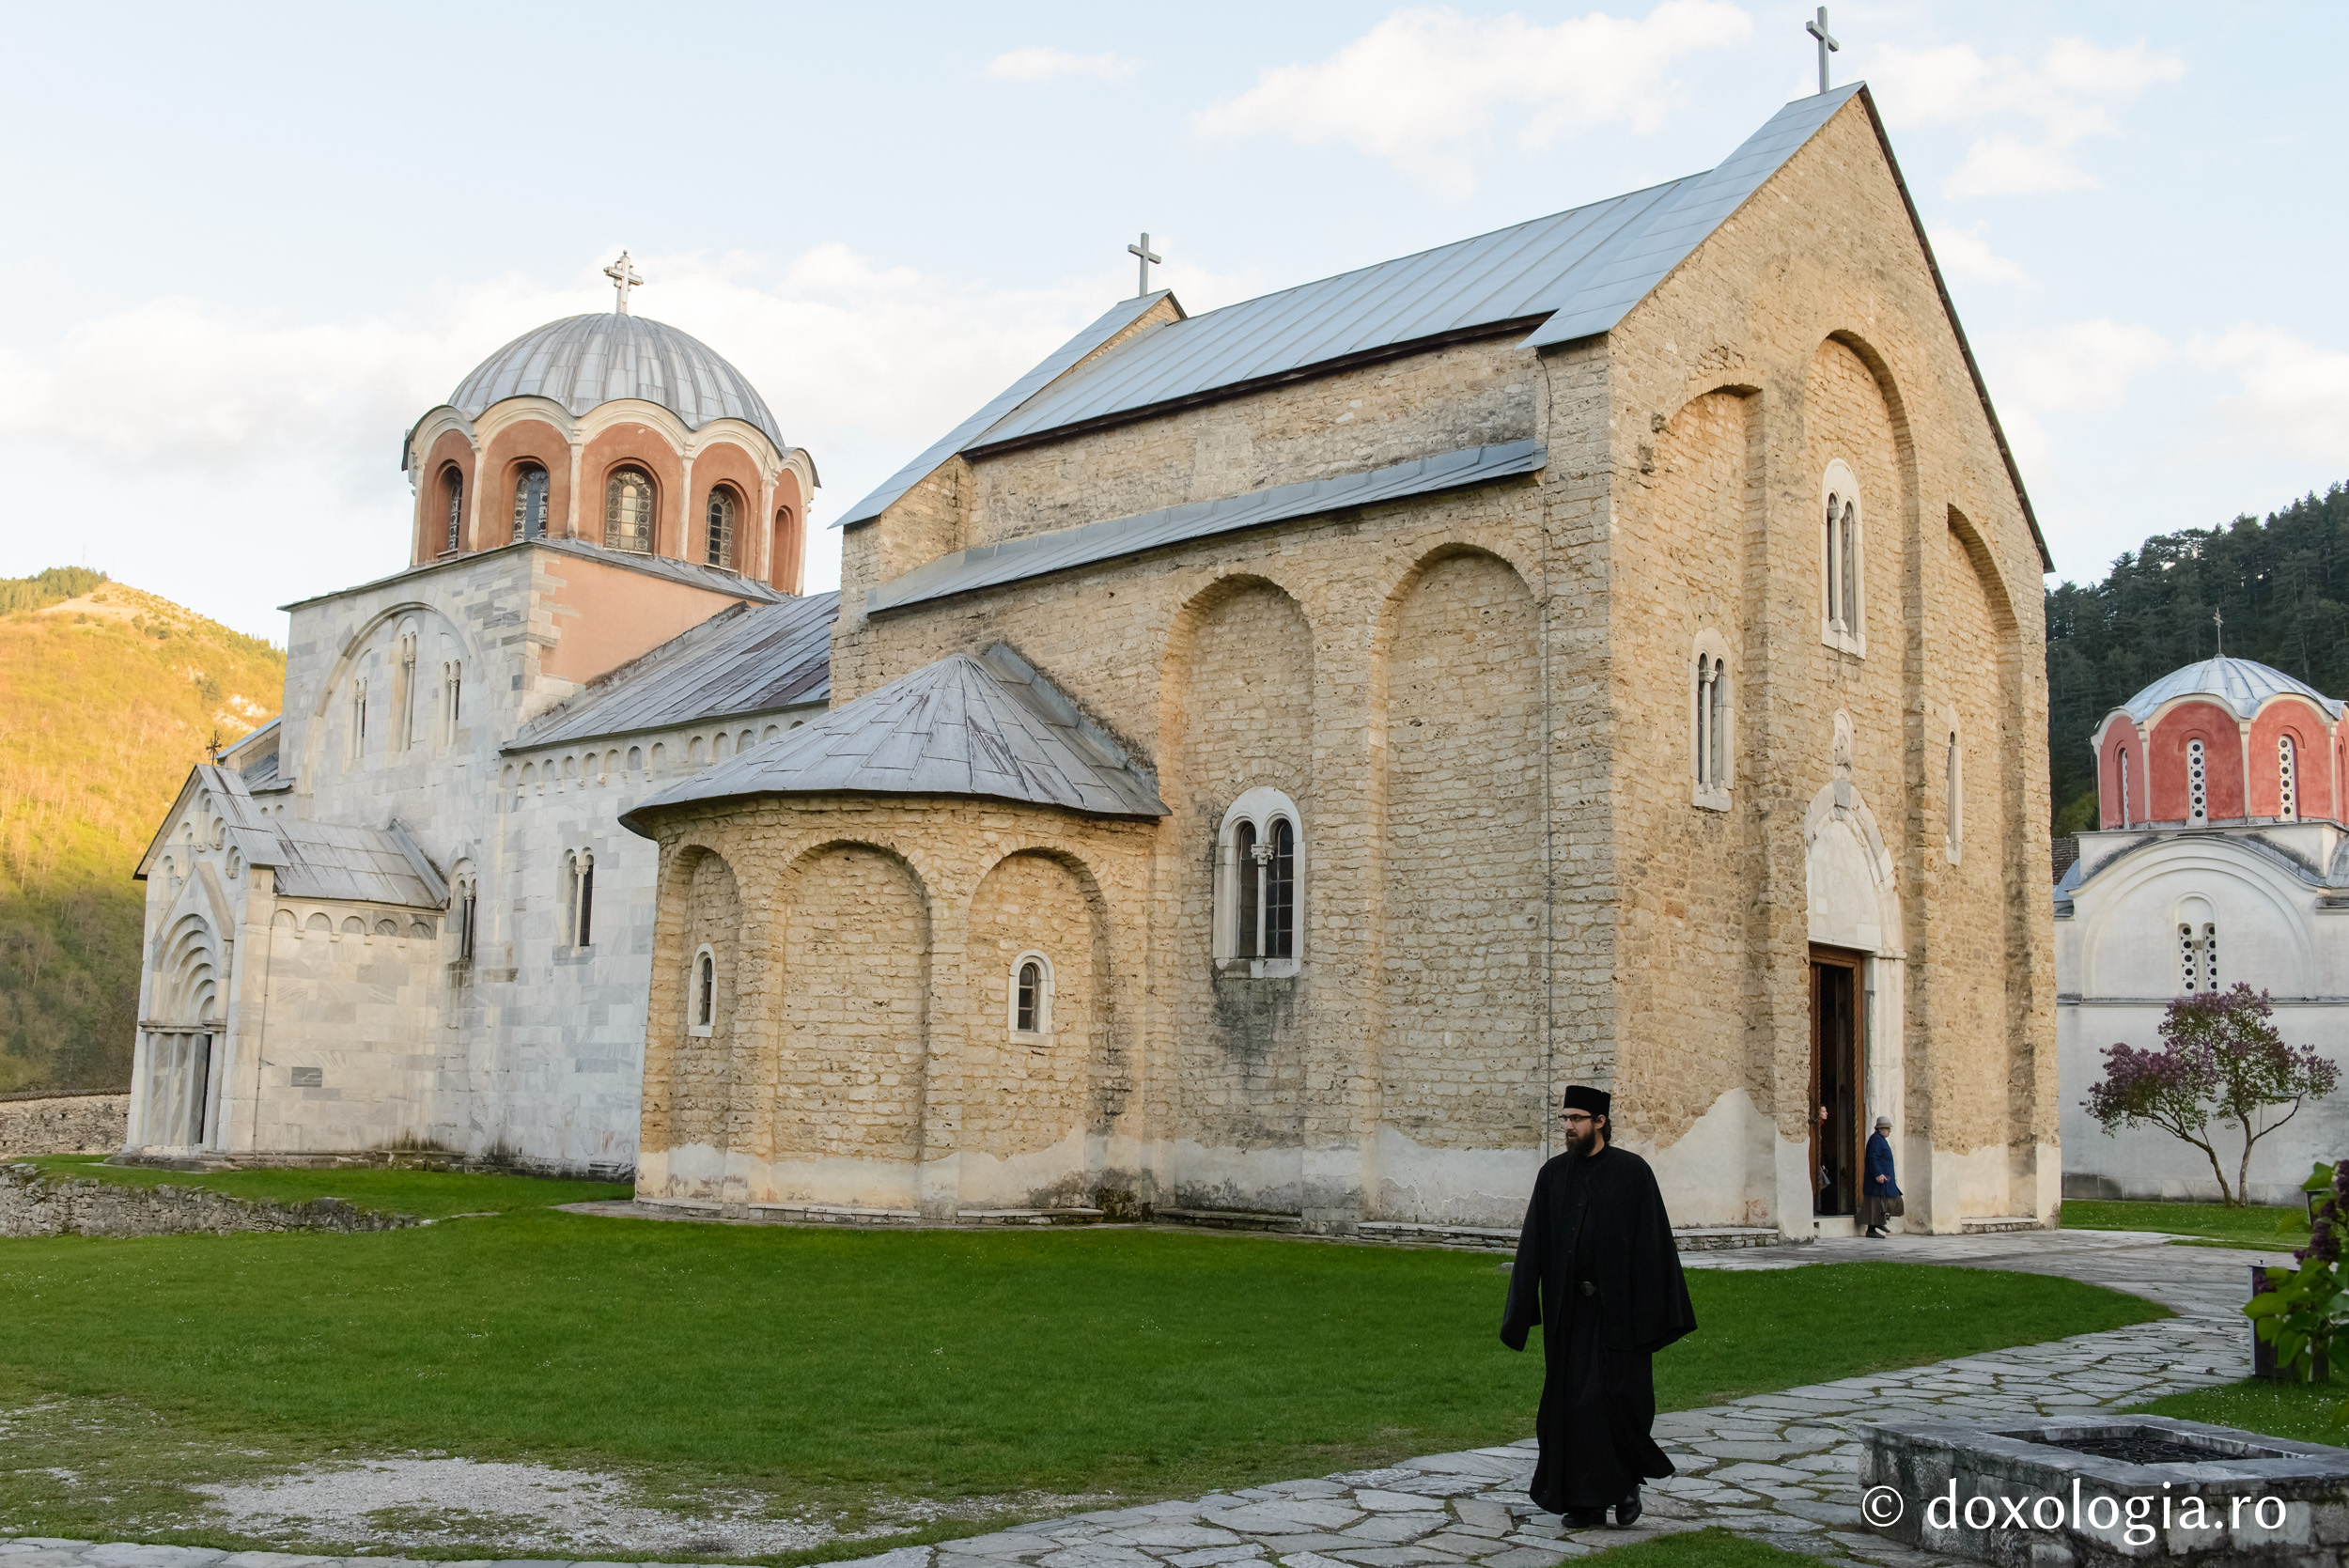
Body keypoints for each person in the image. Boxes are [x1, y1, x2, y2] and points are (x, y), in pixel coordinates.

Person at [1501, 1085, 1697, 1530]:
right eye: (1565, 1119)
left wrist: (1648, 1316)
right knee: (1571, 1406)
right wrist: (1521, 1311)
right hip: (1569, 1317)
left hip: (1618, 1316)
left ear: (1600, 1122)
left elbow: (1653, 1246)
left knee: (1615, 1402)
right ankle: (1585, 1503)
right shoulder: (1553, 1176)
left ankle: (1625, 1483)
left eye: (1576, 1119)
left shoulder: (1631, 1173)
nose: (1568, 1127)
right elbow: (1533, 1244)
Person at [1860, 1114, 1901, 1237]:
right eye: (1887, 1128)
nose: (1889, 1131)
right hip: (1878, 1180)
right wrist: (1878, 1173)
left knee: (1886, 1202)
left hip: (1885, 1179)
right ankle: (1872, 1229)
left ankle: (1878, 1222)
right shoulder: (1876, 1140)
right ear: (1881, 1129)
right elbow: (1873, 1157)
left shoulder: (1880, 1139)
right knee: (1878, 1203)